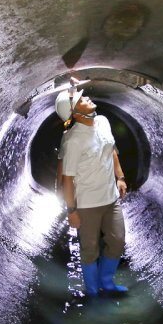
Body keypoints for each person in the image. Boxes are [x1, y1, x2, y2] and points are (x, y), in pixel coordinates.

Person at [54, 81, 129, 296]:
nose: (86, 98)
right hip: (87, 204)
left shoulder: (103, 121)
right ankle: (93, 292)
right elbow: (67, 179)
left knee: (117, 241)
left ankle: (107, 281)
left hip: (111, 198)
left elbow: (112, 150)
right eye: (81, 100)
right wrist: (71, 210)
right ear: (75, 112)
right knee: (89, 250)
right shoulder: (72, 140)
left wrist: (120, 177)